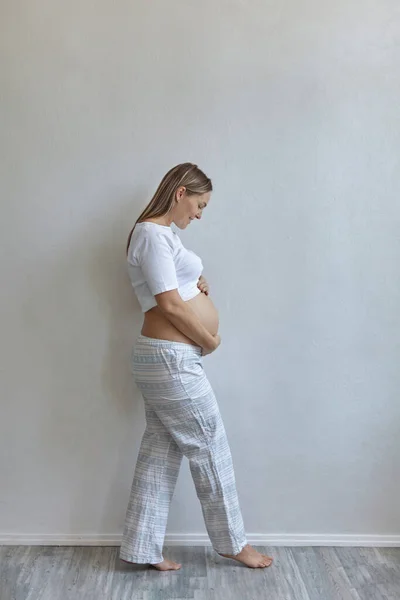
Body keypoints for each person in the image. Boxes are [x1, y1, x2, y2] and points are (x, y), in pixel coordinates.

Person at [120, 163, 273, 571]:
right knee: (211, 446)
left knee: (160, 451)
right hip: (170, 359)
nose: (200, 214)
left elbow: (178, 287)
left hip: (168, 358)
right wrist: (208, 339)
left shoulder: (164, 235)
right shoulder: (151, 233)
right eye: (200, 205)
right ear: (180, 192)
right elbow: (168, 304)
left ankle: (141, 549)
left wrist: (198, 282)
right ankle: (233, 543)